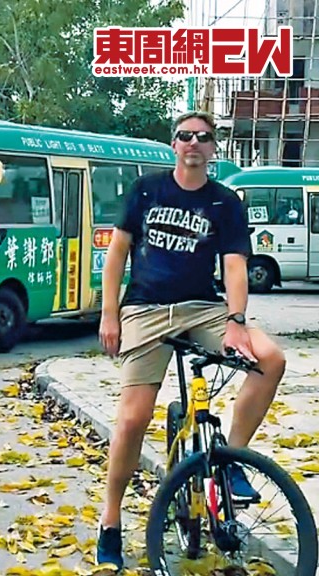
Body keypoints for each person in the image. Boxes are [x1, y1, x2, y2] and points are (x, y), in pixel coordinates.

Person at [95, 110, 287, 570]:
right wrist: (110, 314)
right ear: (174, 145)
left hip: (203, 309)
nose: (194, 144)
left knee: (271, 359)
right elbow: (117, 252)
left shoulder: (225, 202)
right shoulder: (146, 190)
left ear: (213, 148)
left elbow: (235, 265)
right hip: (146, 309)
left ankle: (231, 460)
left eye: (203, 137)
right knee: (132, 419)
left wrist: (237, 320)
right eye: (186, 136)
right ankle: (111, 520)